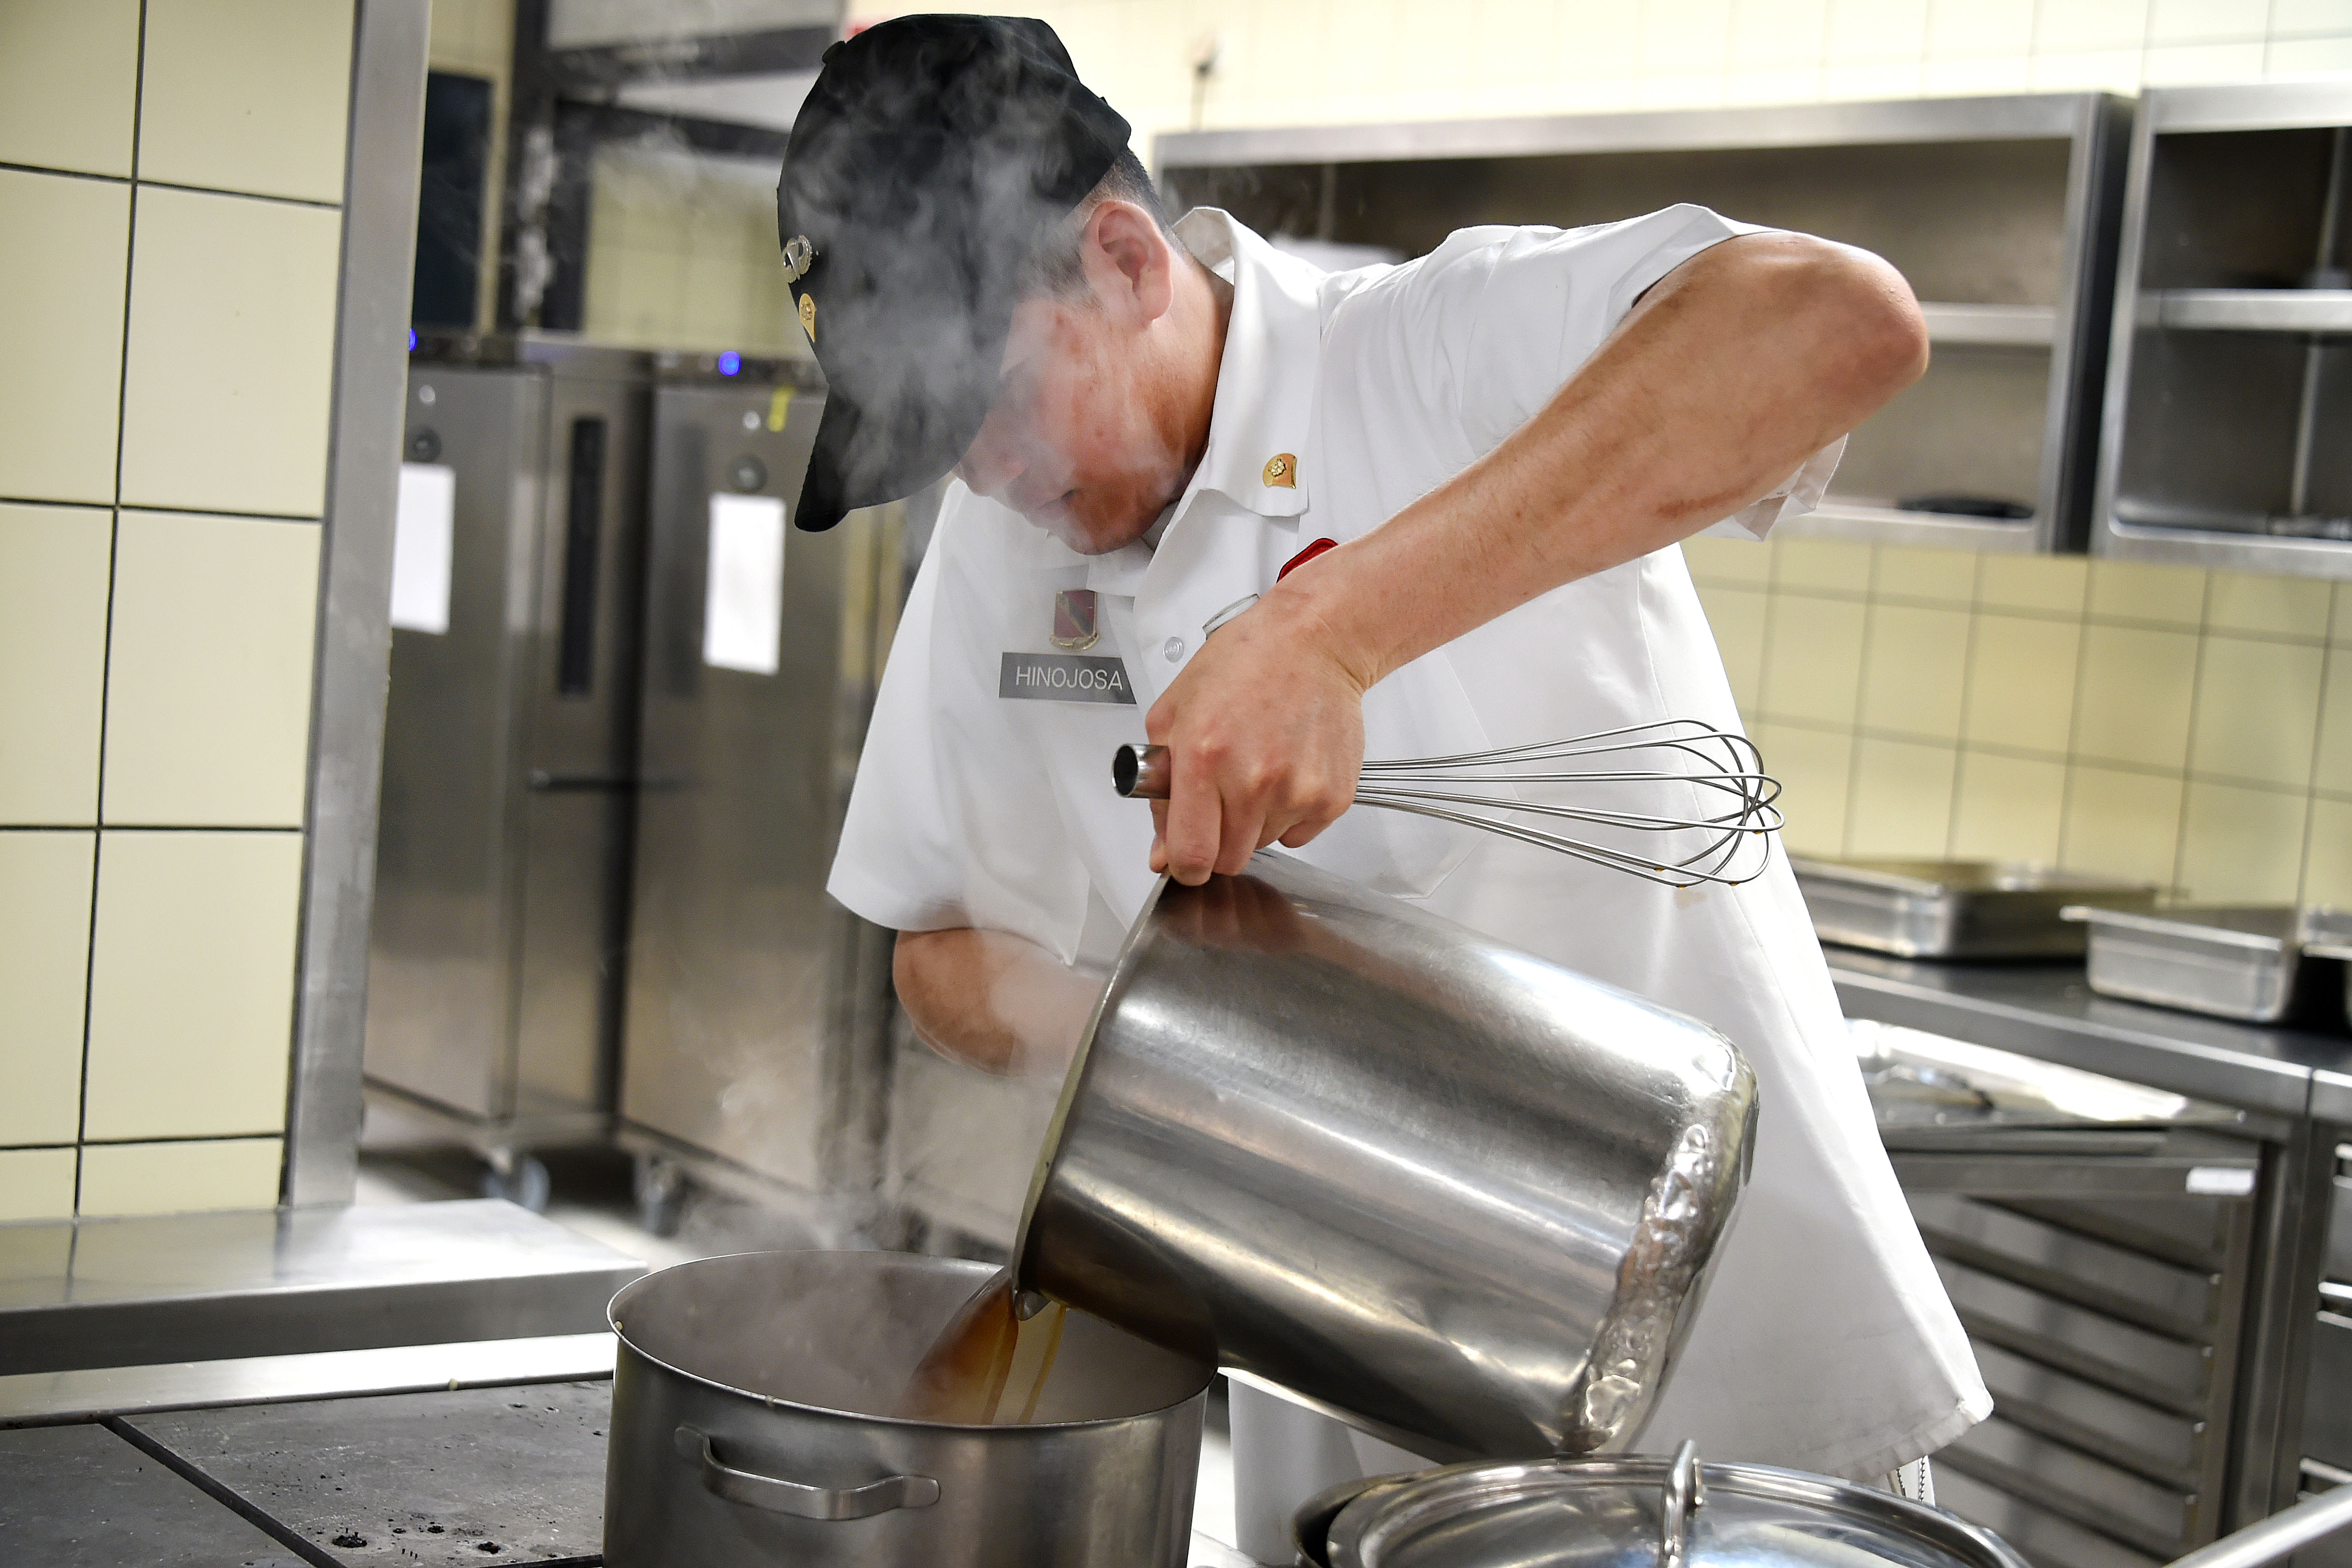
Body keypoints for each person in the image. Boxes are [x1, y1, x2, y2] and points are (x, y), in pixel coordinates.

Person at [776, 13, 1987, 1552]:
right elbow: (937, 943)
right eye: (936, 437)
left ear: (1127, 262)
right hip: (1348, 1423)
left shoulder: (1422, 346)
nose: (990, 476)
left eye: (994, 401)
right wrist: (1179, 1063)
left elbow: (1840, 323)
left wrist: (1327, 632)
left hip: (1721, 1447)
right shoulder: (1009, 535)